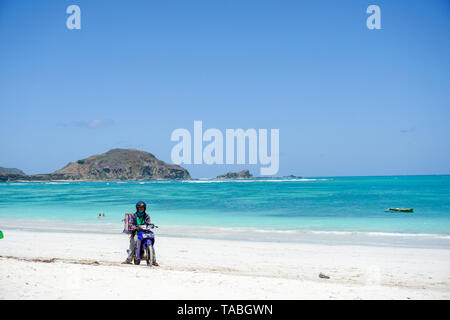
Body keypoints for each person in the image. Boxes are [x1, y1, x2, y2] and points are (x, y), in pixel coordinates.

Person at [122, 201, 159, 266]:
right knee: (133, 242)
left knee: (152, 246)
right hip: (136, 232)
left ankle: (153, 261)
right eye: (140, 208)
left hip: (145, 232)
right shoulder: (134, 216)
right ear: (137, 208)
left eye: (142, 208)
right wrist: (132, 226)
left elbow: (148, 223)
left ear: (144, 208)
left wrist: (151, 225)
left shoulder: (146, 216)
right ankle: (129, 259)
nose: (141, 209)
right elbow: (130, 223)